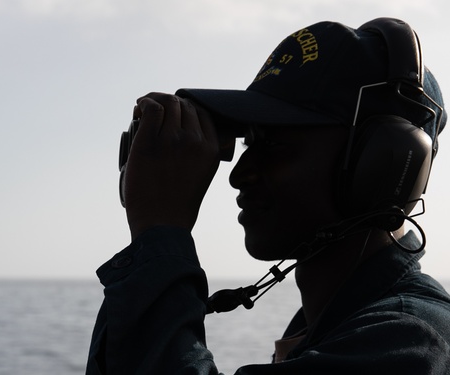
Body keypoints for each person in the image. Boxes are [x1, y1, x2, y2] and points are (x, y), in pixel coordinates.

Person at [86, 17, 450, 374]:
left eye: (274, 144)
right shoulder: (326, 326)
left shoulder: (407, 342)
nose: (238, 174)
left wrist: (160, 232)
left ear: (381, 166)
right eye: (249, 142)